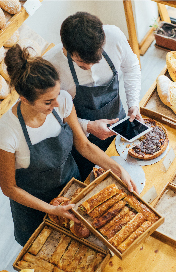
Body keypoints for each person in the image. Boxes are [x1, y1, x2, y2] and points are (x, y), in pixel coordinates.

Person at [0, 45, 137, 246]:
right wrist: (51, 209)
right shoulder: (7, 133)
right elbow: (9, 188)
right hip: (35, 207)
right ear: (24, 99)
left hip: (72, 189)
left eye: (57, 94)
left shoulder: (63, 102)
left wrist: (118, 169)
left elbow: (84, 146)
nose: (57, 104)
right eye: (47, 102)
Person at [43, 12, 143, 181]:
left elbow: (131, 67)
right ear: (65, 50)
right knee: (94, 182)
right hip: (82, 141)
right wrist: (87, 126)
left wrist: (133, 103)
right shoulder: (50, 66)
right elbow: (50, 115)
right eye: (82, 63)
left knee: (130, 171)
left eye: (94, 62)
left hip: (118, 125)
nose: (89, 68)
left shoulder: (114, 36)